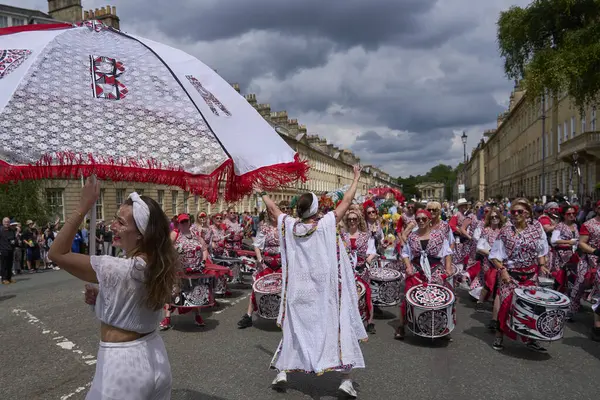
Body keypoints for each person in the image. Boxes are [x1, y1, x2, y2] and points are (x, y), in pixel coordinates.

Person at [50, 178, 178, 399]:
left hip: (123, 367)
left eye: (121, 222)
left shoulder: (116, 268)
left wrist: (83, 206)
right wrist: (103, 295)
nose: (113, 226)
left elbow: (56, 254)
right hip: (156, 356)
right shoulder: (157, 265)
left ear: (140, 234)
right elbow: (135, 301)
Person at [262, 165, 367, 398]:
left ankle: (282, 372)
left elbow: (274, 209)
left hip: (299, 290)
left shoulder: (291, 226)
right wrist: (356, 177)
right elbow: (347, 201)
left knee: (295, 329)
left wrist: (261, 192)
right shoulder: (326, 224)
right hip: (324, 290)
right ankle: (346, 380)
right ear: (316, 209)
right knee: (338, 329)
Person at [489, 198, 550, 352]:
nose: (516, 214)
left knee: (532, 307)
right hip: (510, 274)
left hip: (530, 275)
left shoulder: (537, 228)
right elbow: (495, 255)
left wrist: (542, 265)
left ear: (528, 213)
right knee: (505, 305)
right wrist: (502, 270)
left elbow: (540, 250)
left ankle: (531, 339)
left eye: (520, 212)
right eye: (513, 212)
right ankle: (499, 336)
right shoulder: (506, 230)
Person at [396, 209, 454, 340]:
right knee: (408, 296)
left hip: (435, 268)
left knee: (440, 298)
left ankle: (443, 327)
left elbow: (447, 252)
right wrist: (408, 266)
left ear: (429, 220)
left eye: (423, 219)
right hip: (417, 269)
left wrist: (448, 267)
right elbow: (405, 253)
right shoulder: (412, 236)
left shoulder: (438, 235)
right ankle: (401, 326)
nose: (420, 221)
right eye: (418, 219)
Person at [160, 213, 209, 330]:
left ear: (189, 222)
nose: (184, 224)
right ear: (178, 223)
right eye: (182, 222)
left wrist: (203, 261)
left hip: (195, 270)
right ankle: (167, 318)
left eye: (186, 221)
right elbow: (165, 248)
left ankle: (197, 316)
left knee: (195, 292)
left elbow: (204, 249)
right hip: (178, 270)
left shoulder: (195, 235)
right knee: (173, 293)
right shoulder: (175, 234)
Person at [237, 209, 282, 329]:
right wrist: (260, 259)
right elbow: (257, 245)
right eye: (270, 214)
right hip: (266, 263)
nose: (273, 216)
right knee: (257, 288)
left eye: (275, 213)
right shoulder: (264, 228)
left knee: (286, 289)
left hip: (282, 264)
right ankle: (248, 316)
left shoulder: (285, 227)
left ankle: (286, 317)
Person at [340, 209, 377, 333]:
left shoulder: (366, 235)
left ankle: (369, 322)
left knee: (366, 295)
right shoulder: (342, 235)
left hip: (362, 269)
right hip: (346, 269)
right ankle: (349, 321)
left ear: (359, 220)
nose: (352, 221)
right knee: (347, 295)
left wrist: (367, 261)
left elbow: (372, 251)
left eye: (354, 219)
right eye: (349, 219)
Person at [577, 200, 600, 340]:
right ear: (596, 208)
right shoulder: (589, 224)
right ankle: (597, 327)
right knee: (596, 293)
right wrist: (595, 251)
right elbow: (582, 243)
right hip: (593, 261)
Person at [0, 217, 17, 284]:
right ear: (2, 222)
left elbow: (14, 238)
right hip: (3, 250)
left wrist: (14, 242)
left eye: (8, 222)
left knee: (10, 264)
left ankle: (9, 278)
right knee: (4, 265)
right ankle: (4, 279)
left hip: (11, 249)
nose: (7, 223)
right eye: (5, 222)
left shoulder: (11, 230)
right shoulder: (0, 230)